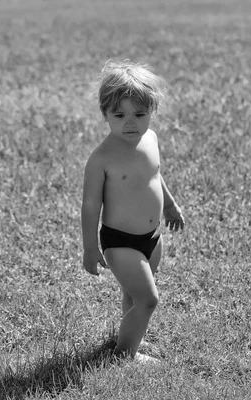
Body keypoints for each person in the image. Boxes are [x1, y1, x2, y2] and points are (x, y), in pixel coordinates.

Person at [81, 60, 185, 363]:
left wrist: (169, 204)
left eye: (140, 115)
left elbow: (155, 175)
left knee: (133, 294)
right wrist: (90, 248)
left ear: (151, 111)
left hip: (152, 236)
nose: (131, 123)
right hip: (121, 241)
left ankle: (131, 335)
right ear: (105, 114)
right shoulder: (101, 158)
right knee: (148, 299)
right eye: (120, 115)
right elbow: (90, 206)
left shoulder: (150, 139)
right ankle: (125, 355)